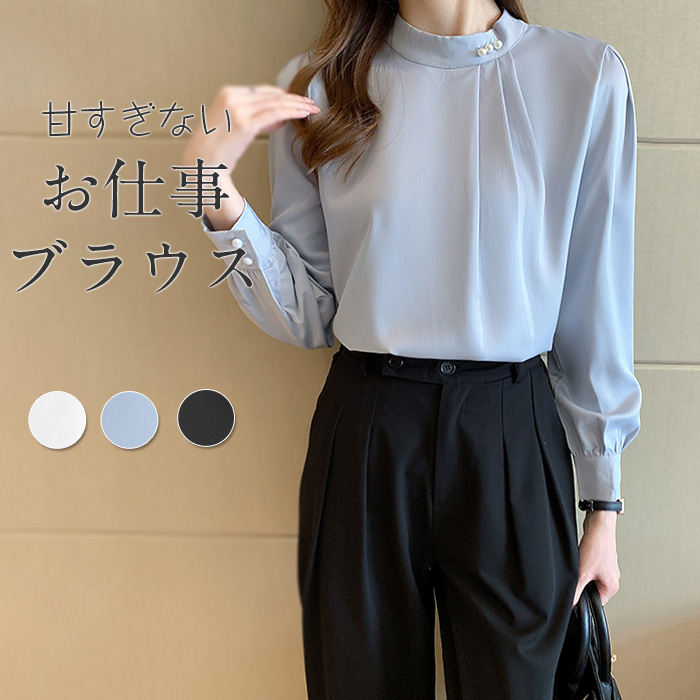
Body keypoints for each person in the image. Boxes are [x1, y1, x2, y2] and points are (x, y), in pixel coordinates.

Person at [183, 0, 642, 697]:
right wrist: (209, 189)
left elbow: (596, 300)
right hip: (369, 425)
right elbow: (310, 311)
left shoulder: (583, 75)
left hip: (511, 430)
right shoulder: (319, 84)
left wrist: (602, 506)